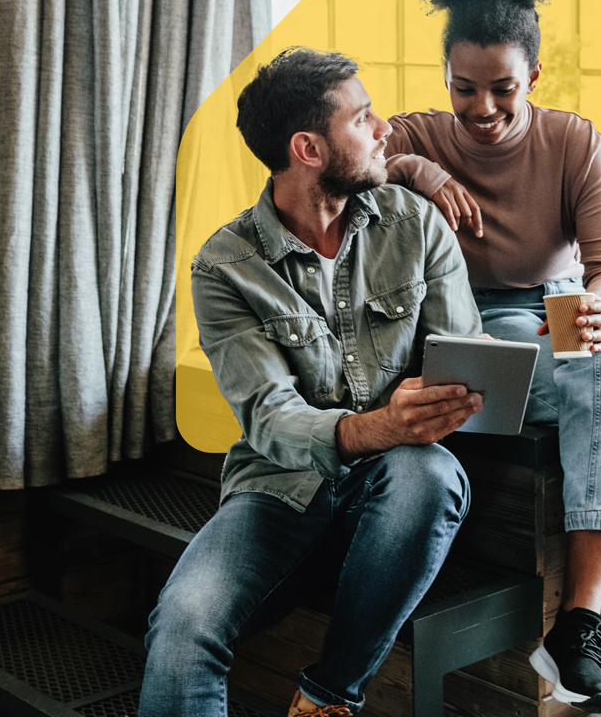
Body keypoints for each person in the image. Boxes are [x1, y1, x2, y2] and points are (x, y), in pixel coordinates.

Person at [140, 48, 485, 717]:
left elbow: (462, 357)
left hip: (396, 486)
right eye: (362, 118)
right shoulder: (225, 265)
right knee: (182, 627)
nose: (384, 128)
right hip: (279, 490)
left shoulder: (414, 224)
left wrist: (459, 393)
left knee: (431, 474)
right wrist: (379, 423)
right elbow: (269, 418)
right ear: (308, 148)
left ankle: (327, 698)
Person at [384, 0, 601, 717]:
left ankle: (576, 621)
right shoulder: (416, 134)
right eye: (464, 88)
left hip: (555, 313)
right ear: (446, 77)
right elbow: (353, 162)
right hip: (474, 330)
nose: (482, 109)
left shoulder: (573, 141)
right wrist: (421, 169)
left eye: (502, 89)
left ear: (533, 75)